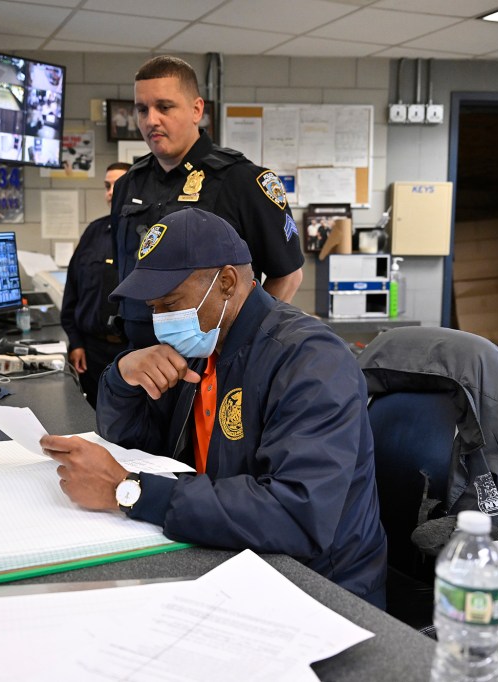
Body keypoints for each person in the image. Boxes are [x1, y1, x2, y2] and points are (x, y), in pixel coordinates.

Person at [40, 208, 387, 605]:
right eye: (154, 308)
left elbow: (297, 514)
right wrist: (122, 379)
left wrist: (128, 490)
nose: (161, 321)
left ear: (225, 282)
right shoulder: (203, 346)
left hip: (319, 589)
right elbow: (141, 448)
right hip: (232, 557)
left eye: (170, 304)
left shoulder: (310, 360)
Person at [112, 55, 304, 348]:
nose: (151, 120)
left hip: (213, 364)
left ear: (196, 110)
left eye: (164, 107)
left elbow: (288, 275)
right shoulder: (129, 184)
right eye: (142, 109)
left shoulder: (242, 181)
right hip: (141, 359)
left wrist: (245, 343)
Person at [61, 162, 132, 408]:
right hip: (91, 352)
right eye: (107, 186)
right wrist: (75, 342)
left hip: (131, 350)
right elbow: (73, 291)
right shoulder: (93, 232)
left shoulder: (148, 234)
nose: (110, 192)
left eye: (117, 185)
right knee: (91, 420)